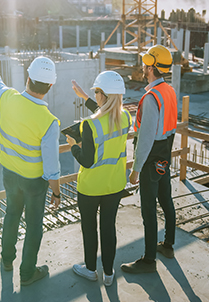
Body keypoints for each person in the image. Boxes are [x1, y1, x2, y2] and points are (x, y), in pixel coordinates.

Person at [0, 54, 61, 286]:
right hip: (34, 182)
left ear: (28, 78)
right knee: (34, 224)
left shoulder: (8, 98)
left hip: (9, 174)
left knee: (12, 215)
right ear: (50, 86)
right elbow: (52, 167)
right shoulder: (49, 121)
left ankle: (6, 260)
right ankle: (27, 273)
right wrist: (56, 192)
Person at [65, 71, 131, 286]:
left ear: (102, 95)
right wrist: (85, 97)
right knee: (108, 227)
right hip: (114, 185)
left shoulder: (89, 125)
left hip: (90, 188)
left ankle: (91, 269)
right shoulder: (125, 117)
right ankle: (109, 274)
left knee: (89, 228)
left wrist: (73, 147)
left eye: (96, 92)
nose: (96, 95)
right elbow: (107, 114)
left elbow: (87, 161)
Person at [120, 45, 177, 274]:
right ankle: (168, 245)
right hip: (165, 155)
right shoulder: (169, 91)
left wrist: (136, 169)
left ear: (151, 67)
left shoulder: (151, 98)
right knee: (166, 200)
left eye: (146, 63)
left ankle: (149, 260)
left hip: (152, 157)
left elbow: (145, 139)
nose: (143, 67)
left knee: (148, 210)